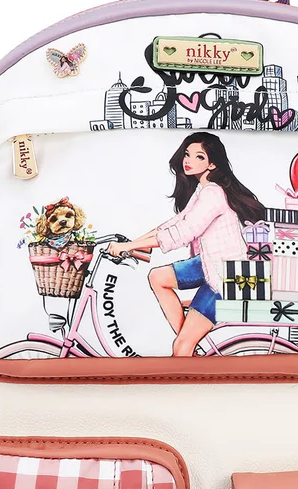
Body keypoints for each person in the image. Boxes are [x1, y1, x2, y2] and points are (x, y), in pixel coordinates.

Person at [109, 132, 263, 356]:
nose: (188, 161)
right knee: (157, 277)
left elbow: (184, 232)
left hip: (226, 279)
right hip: (211, 264)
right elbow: (176, 222)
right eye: (187, 154)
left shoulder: (213, 194)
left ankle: (186, 347)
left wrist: (129, 247)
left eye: (199, 157)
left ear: (212, 164)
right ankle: (189, 345)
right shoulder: (204, 189)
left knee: (182, 348)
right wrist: (135, 242)